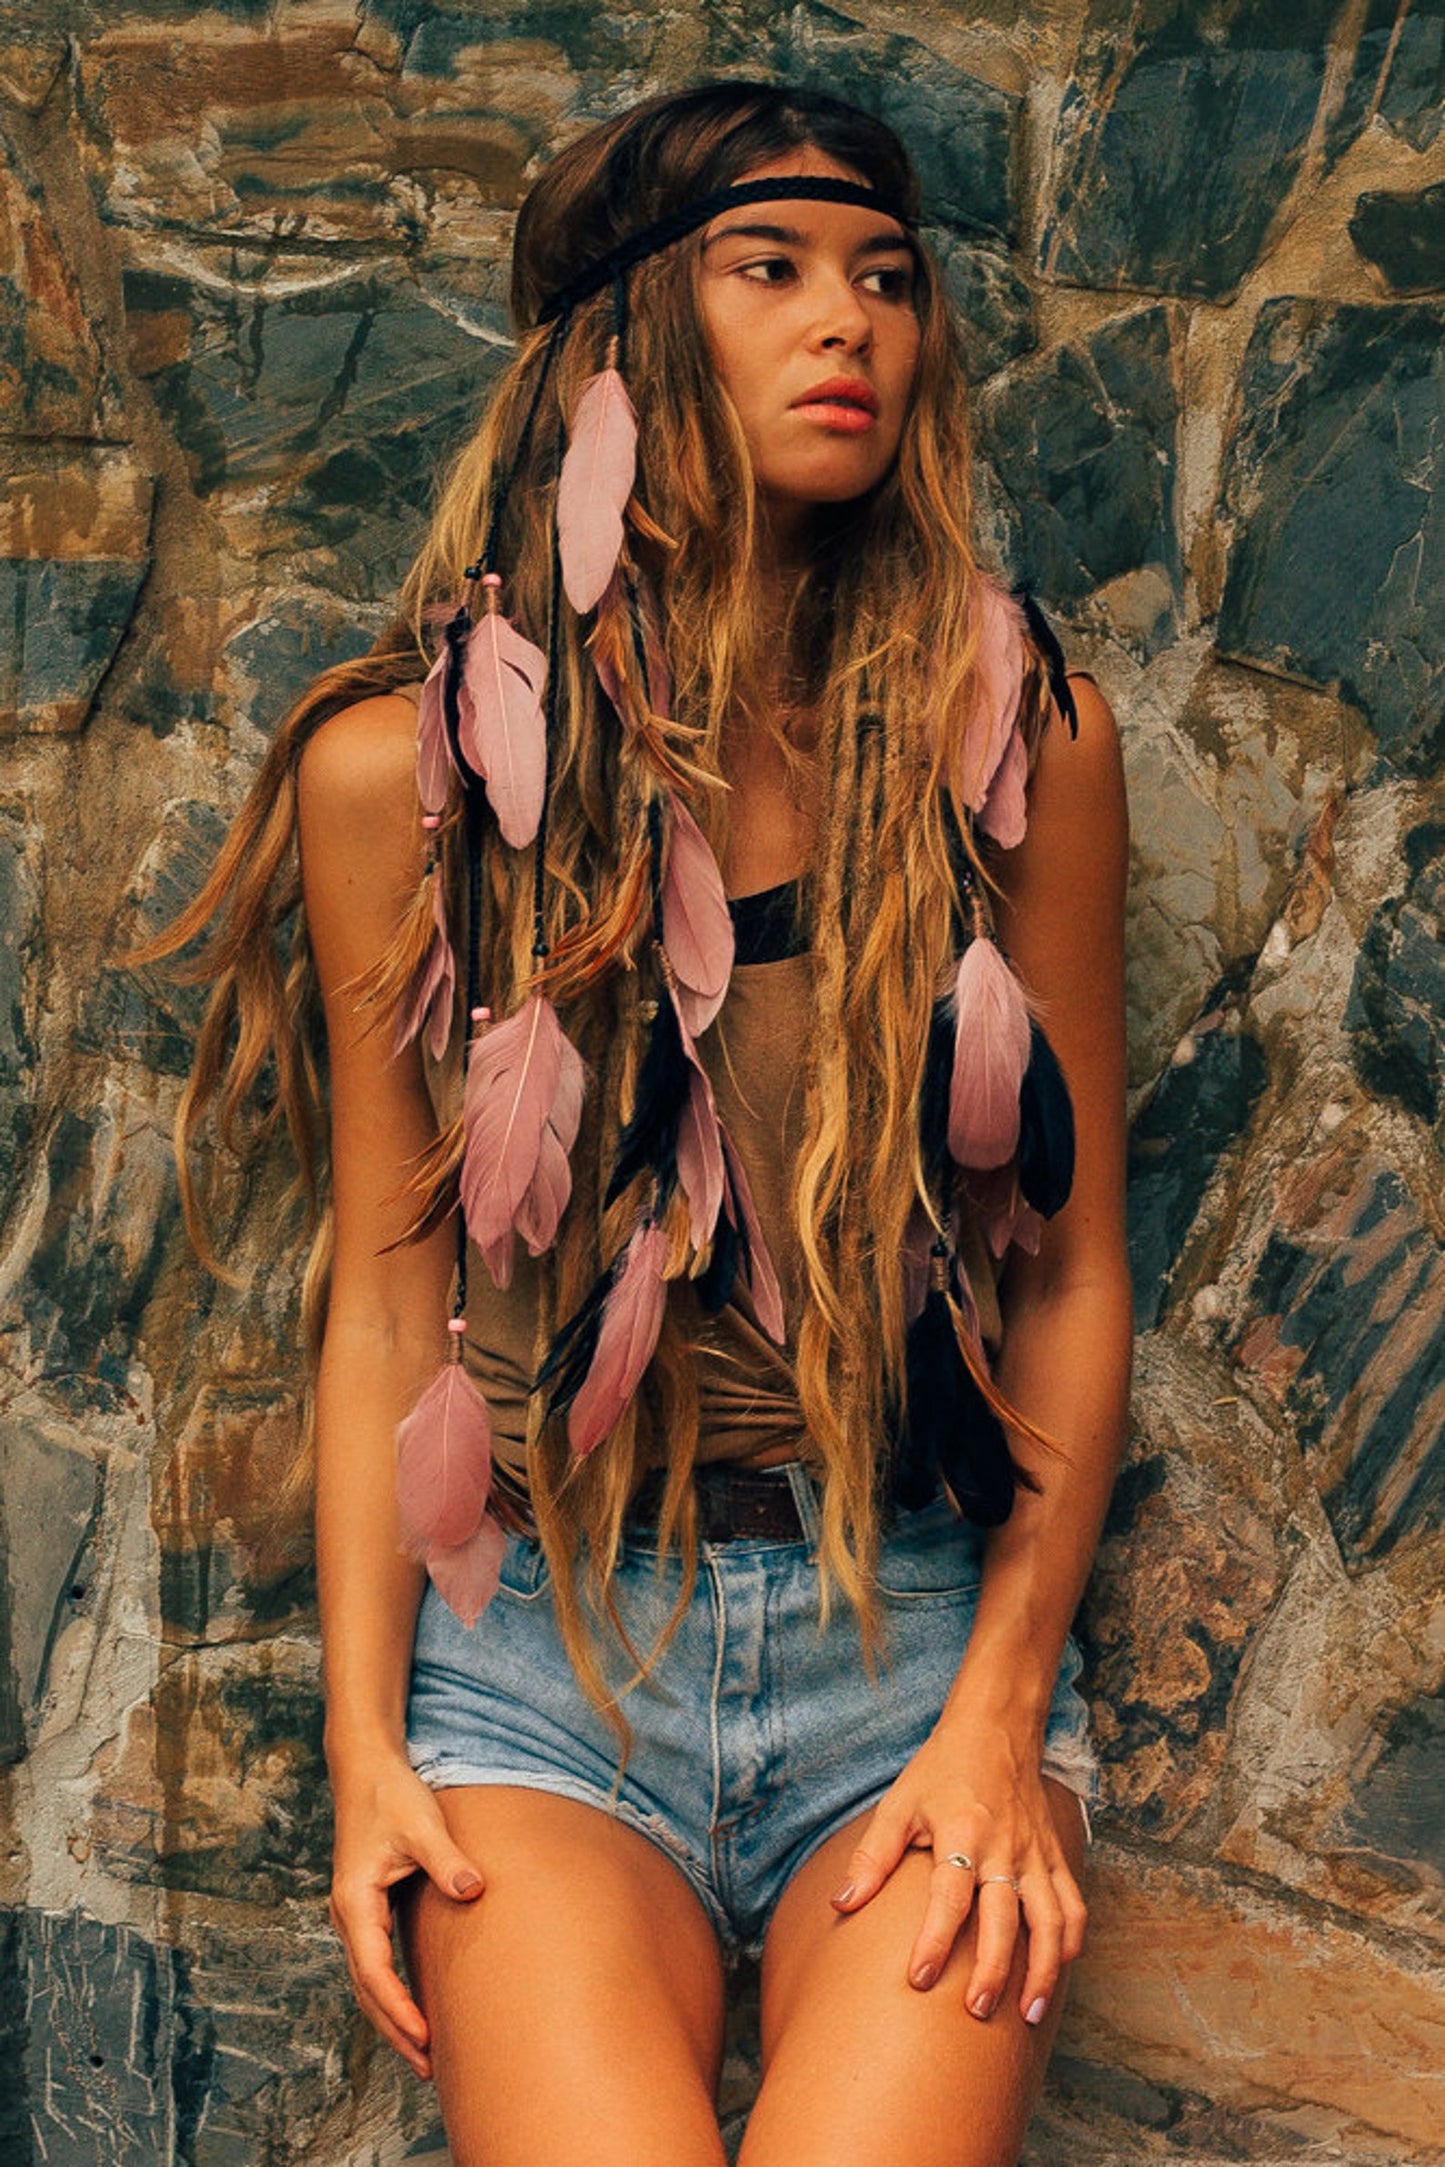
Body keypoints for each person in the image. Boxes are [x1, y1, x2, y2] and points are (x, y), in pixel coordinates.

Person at [159, 80, 1130, 2167]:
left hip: (909, 1644)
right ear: (614, 354)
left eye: (886, 278)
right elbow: (390, 1294)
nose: (849, 322)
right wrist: (364, 1744)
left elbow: (1074, 1269)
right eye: (768, 273)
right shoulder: (391, 779)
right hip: (548, 1679)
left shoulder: (1015, 731)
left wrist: (1002, 1718)